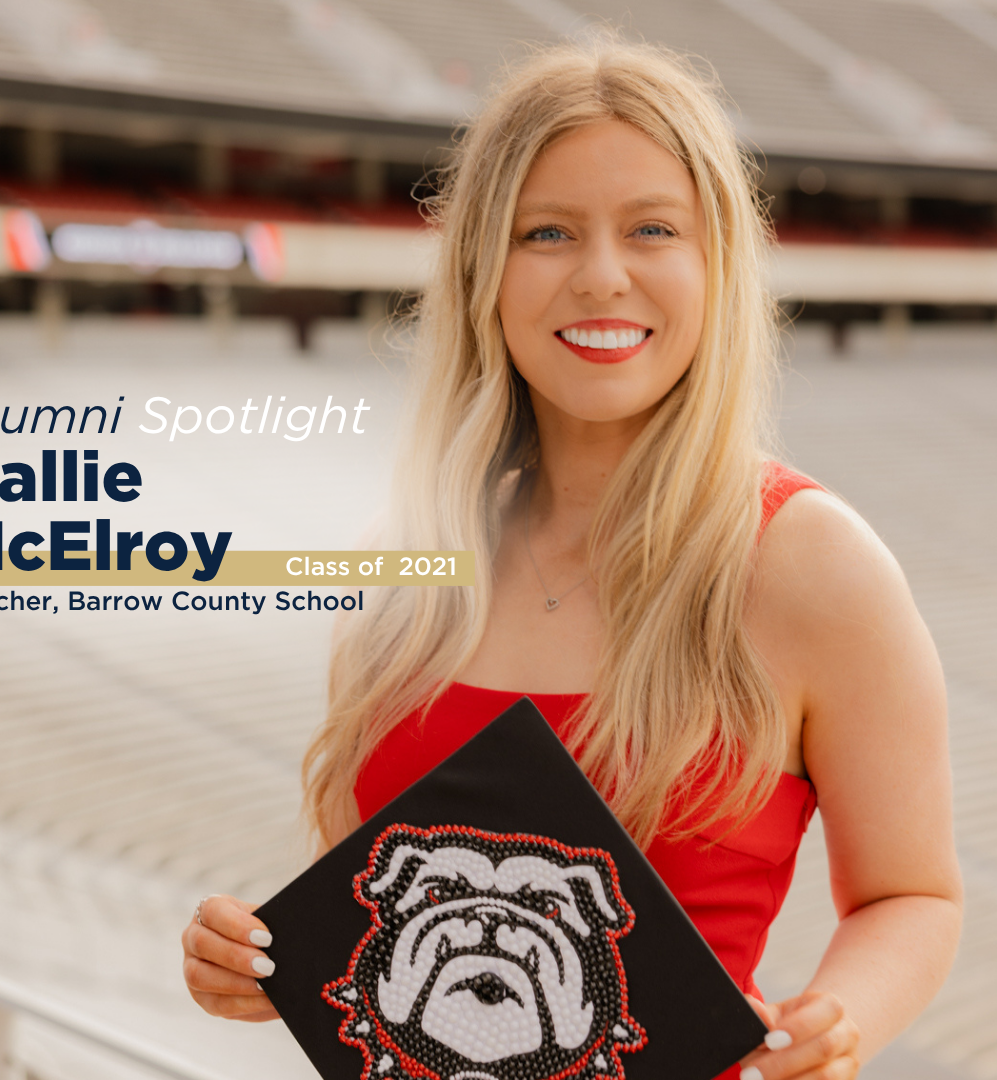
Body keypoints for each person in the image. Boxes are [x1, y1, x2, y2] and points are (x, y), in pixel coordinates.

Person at [181, 37, 961, 1080]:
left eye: (652, 229)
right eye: (545, 233)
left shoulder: (813, 564)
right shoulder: (400, 566)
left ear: (716, 263)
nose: (601, 277)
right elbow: (365, 899)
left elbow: (914, 894)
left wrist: (839, 1017)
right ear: (483, 272)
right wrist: (252, 962)